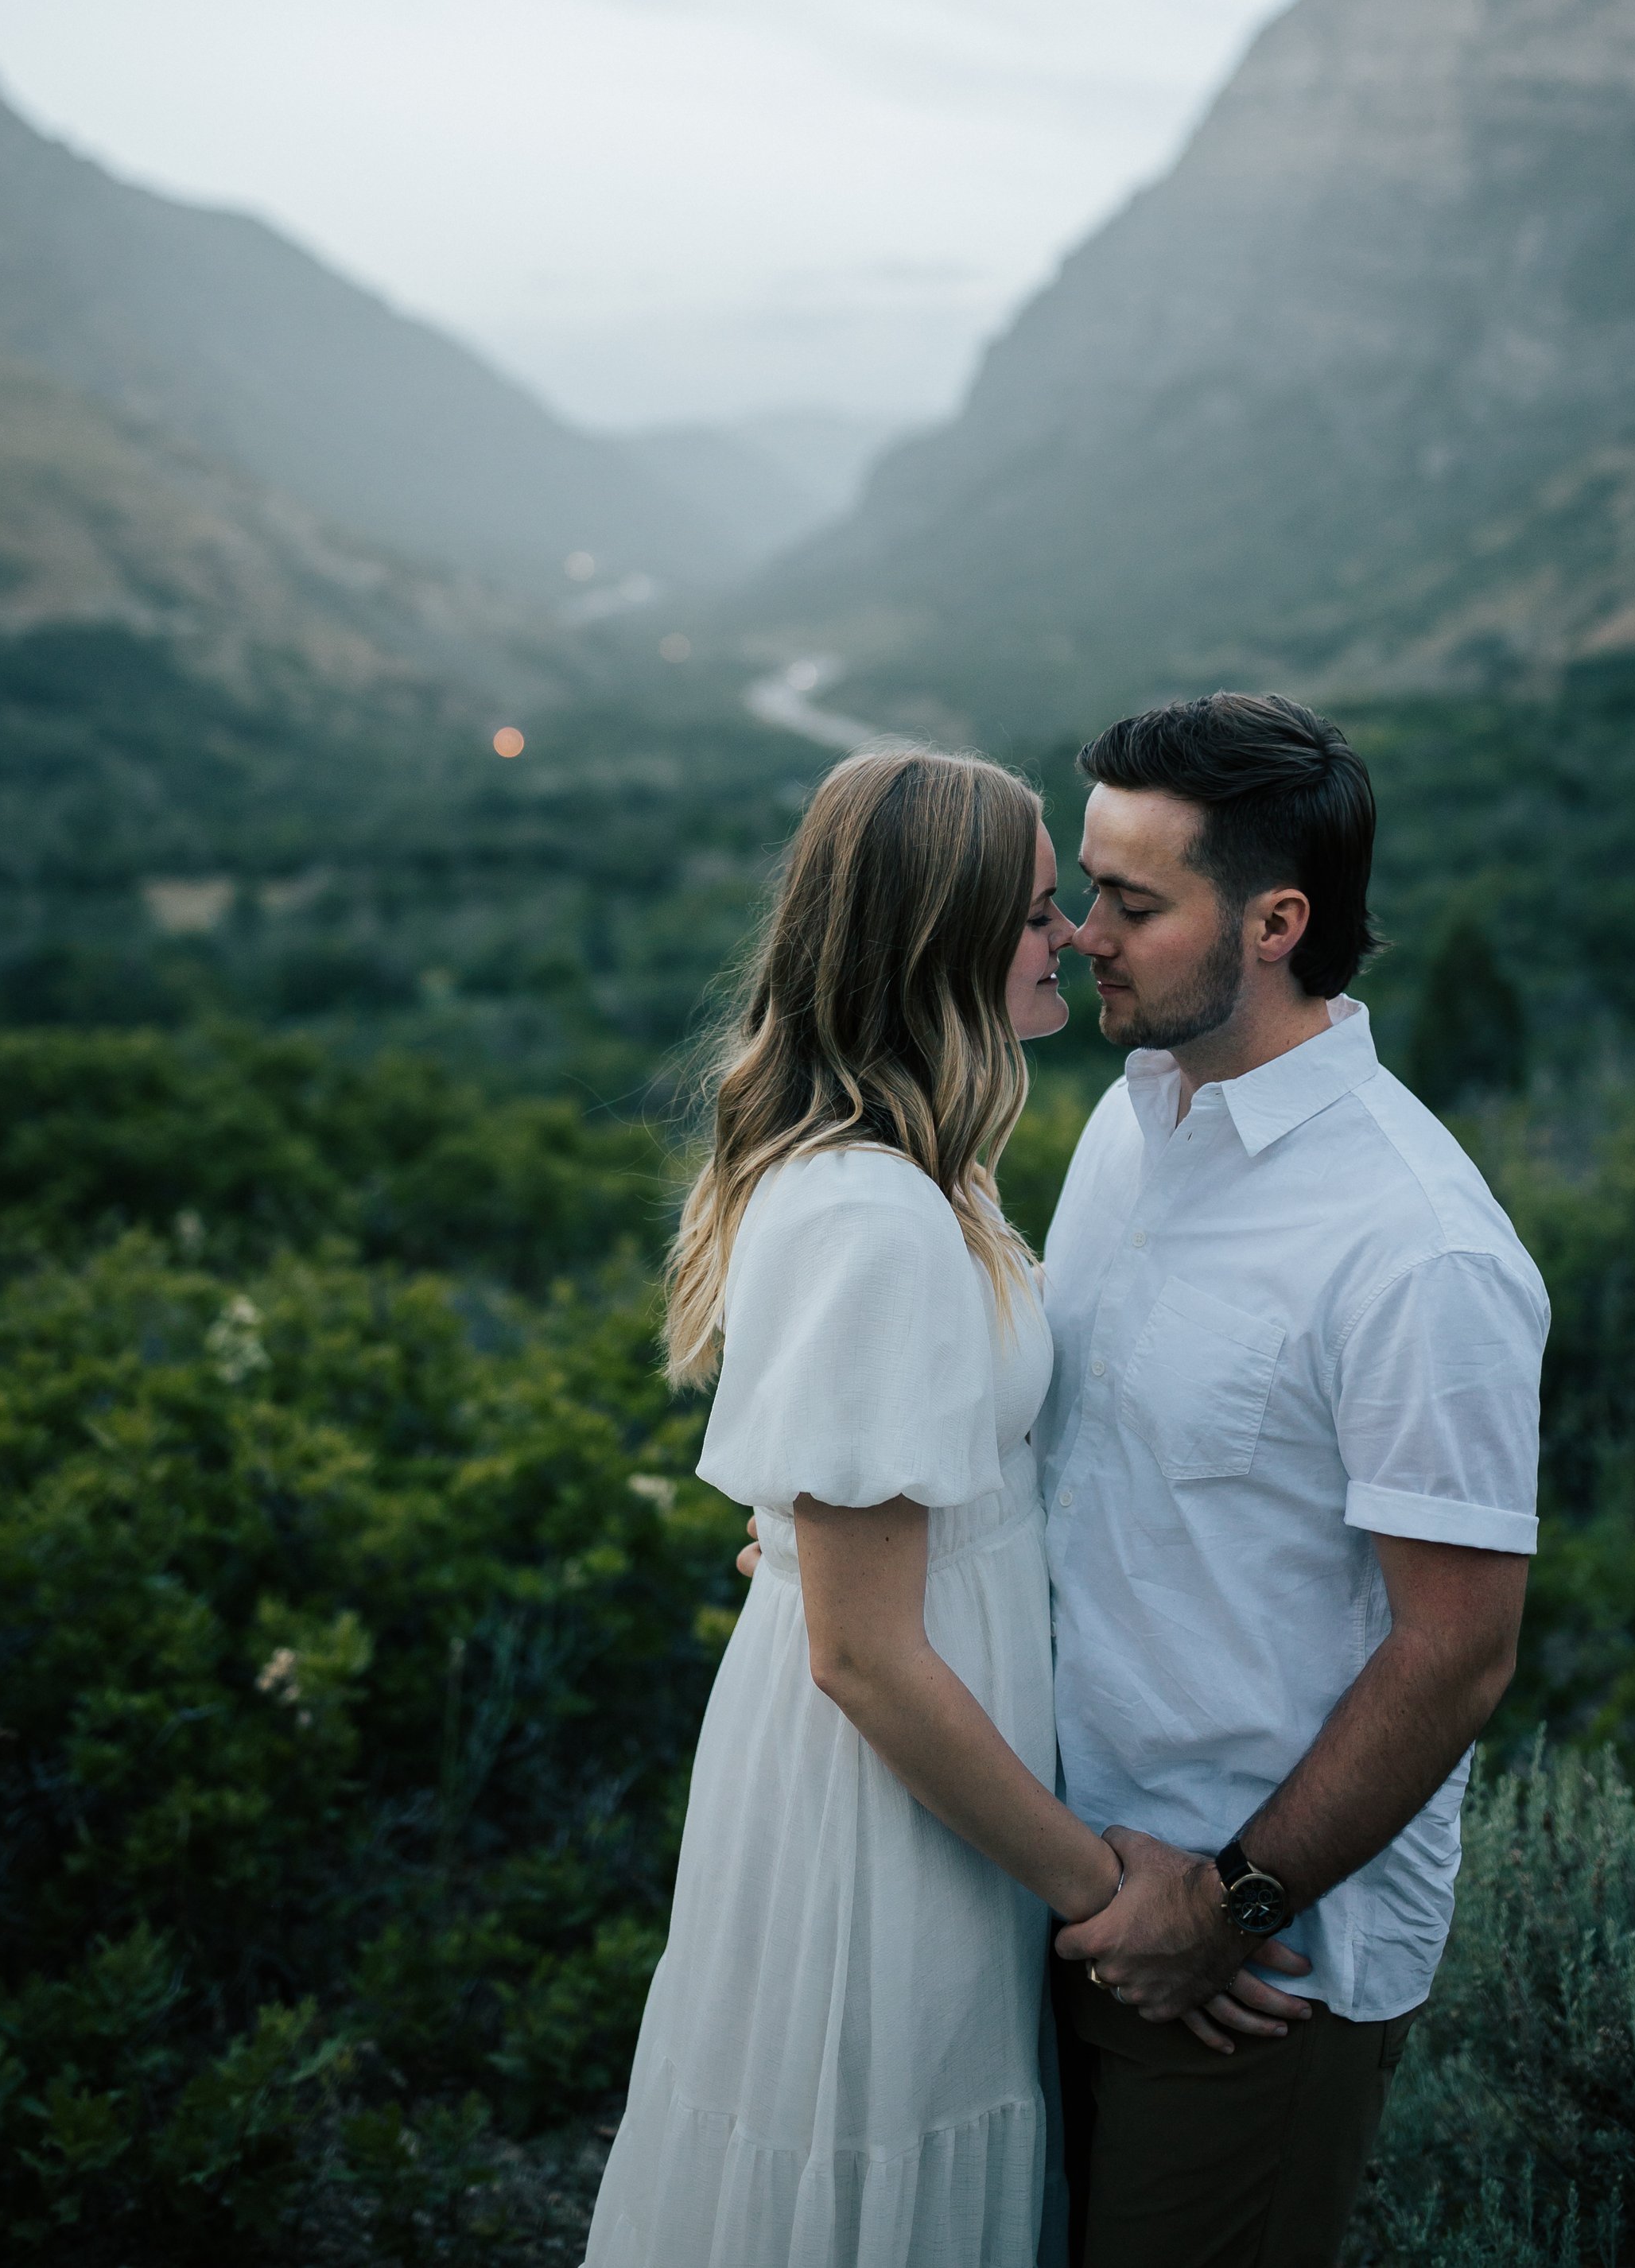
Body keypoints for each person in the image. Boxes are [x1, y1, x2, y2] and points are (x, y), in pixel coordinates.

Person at [582, 745, 1114, 2268]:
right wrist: (1093, 1889)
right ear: (937, 942)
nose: (1068, 931)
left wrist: (818, 1541)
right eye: (1033, 910)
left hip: (932, 1770)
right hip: (887, 1798)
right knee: (865, 2157)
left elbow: (870, 1515)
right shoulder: (875, 1212)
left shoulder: (925, 1174)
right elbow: (862, 1652)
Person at [1040, 693, 1548, 2268]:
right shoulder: (1126, 1128)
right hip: (1053, 1890)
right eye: (1085, 887)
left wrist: (1230, 1908)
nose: (1076, 935)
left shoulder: (1416, 1249)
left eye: (1130, 903)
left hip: (1246, 1981)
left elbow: (1454, 1647)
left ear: (1275, 921)